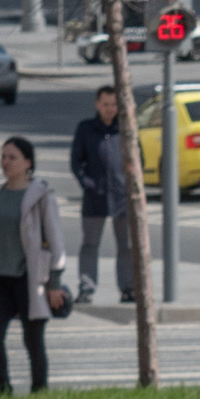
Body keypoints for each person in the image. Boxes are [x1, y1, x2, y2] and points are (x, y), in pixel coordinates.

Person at [0, 138, 66, 397]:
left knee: (32, 340)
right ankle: (2, 389)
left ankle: (39, 391)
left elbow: (55, 241)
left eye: (12, 157)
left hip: (29, 278)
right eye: (3, 156)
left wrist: (54, 284)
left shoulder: (41, 195)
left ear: (28, 163)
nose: (5, 162)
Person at [68, 87, 134, 307]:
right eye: (105, 104)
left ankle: (128, 288)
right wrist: (87, 183)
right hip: (95, 197)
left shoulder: (125, 130)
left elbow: (137, 159)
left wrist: (130, 186)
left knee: (126, 245)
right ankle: (86, 287)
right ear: (97, 104)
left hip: (122, 198)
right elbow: (76, 161)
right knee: (90, 244)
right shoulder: (86, 129)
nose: (110, 109)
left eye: (114, 105)